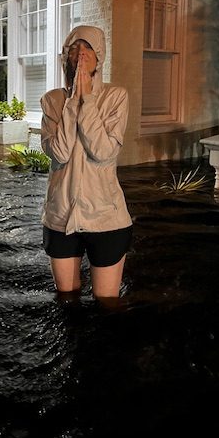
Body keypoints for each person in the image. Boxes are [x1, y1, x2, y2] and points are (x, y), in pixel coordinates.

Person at [40, 25, 133, 303]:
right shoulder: (52, 101)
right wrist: (72, 102)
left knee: (107, 305)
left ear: (99, 56)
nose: (81, 55)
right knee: (66, 300)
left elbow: (103, 152)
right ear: (65, 57)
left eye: (88, 48)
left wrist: (88, 100)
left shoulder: (116, 97)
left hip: (106, 218)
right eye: (74, 49)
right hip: (60, 218)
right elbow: (59, 153)